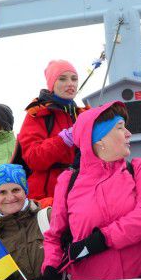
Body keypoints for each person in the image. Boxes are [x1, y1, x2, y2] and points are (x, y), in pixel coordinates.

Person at [42, 101, 141, 280]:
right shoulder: (68, 182)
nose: (128, 133)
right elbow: (55, 237)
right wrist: (50, 271)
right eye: (120, 127)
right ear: (98, 139)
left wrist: (102, 239)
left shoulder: (138, 169)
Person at [17, 59, 85, 200]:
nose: (70, 83)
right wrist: (63, 140)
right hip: (47, 197)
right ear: (51, 84)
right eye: (62, 79)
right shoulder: (38, 114)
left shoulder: (82, 115)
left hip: (80, 192)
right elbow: (33, 158)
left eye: (74, 79)